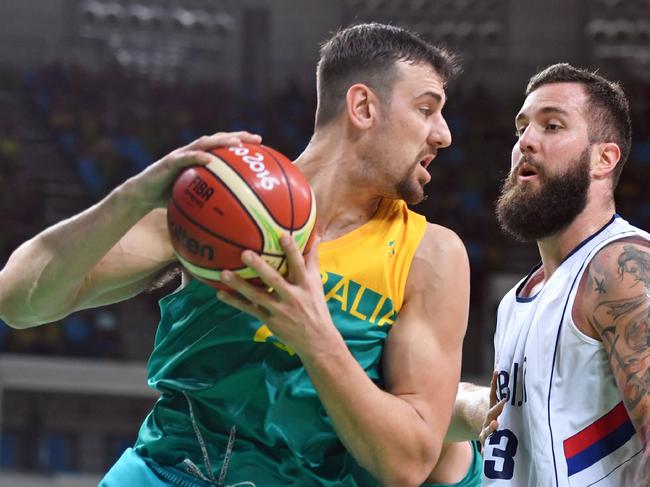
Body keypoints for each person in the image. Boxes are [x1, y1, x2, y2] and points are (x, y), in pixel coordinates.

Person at [0, 24, 481, 486]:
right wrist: (128, 200)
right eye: (426, 109)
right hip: (167, 472)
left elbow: (407, 463)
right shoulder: (224, 200)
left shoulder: (430, 254)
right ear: (362, 106)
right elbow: (19, 303)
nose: (444, 134)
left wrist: (315, 337)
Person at [482, 63, 649, 485]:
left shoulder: (623, 265)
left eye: (552, 126)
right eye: (521, 129)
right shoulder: (515, 301)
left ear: (603, 158)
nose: (526, 142)